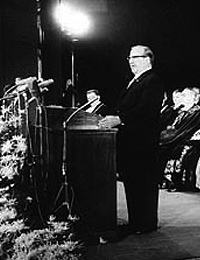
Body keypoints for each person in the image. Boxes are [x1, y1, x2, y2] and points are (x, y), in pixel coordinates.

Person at [99, 44, 165, 235]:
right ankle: (136, 221)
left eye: (134, 57)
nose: (131, 62)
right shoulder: (136, 81)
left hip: (143, 143)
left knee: (143, 183)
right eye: (129, 58)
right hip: (132, 142)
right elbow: (124, 107)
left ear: (147, 58)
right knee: (133, 183)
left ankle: (146, 223)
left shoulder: (152, 80)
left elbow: (146, 110)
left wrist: (119, 119)